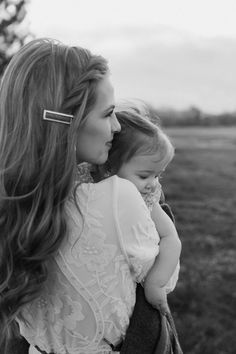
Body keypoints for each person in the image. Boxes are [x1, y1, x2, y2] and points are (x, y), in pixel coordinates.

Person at [0, 38, 180, 354]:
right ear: (66, 123)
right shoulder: (116, 199)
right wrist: (154, 205)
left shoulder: (12, 209)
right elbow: (164, 279)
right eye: (108, 113)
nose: (116, 127)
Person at [95, 105, 181, 313]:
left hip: (135, 291)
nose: (152, 183)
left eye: (157, 175)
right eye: (144, 176)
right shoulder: (91, 187)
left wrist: (156, 283)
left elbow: (171, 239)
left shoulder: (147, 197)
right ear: (110, 167)